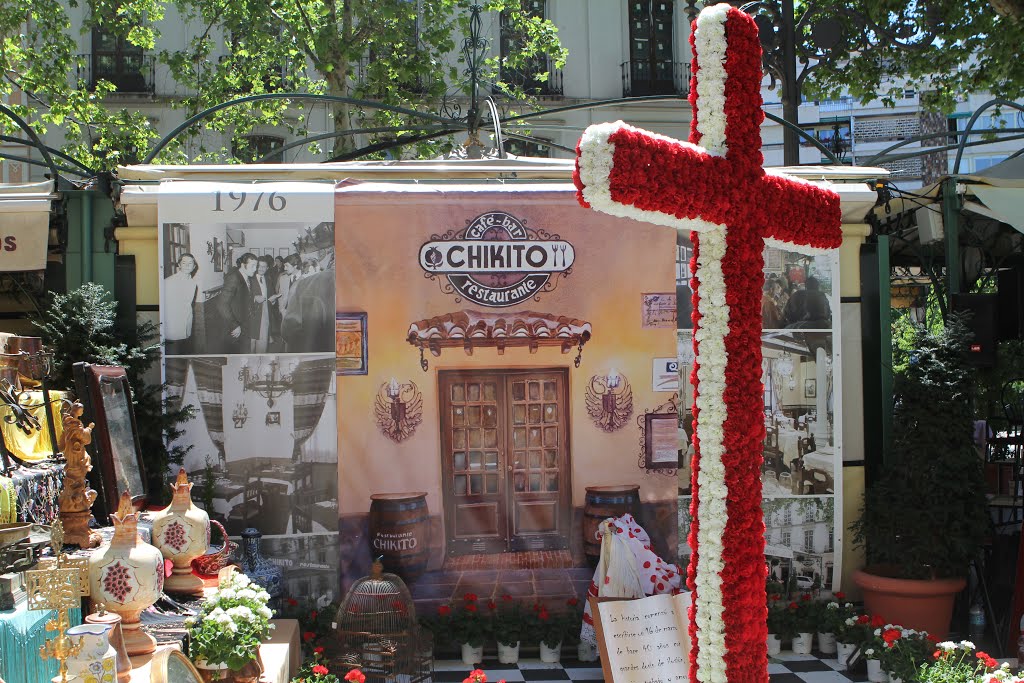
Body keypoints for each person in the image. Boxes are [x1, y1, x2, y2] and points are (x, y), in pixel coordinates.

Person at [218, 253, 258, 353]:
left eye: (256, 266)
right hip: (234, 328)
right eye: (252, 266)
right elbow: (222, 304)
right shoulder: (234, 278)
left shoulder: (247, 278)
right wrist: (234, 325)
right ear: (243, 265)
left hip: (244, 325)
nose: (255, 269)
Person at [163, 253, 199, 355]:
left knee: (185, 353)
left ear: (194, 266)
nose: (187, 265)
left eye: (190, 263)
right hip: (172, 327)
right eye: (184, 263)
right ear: (179, 265)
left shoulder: (193, 283)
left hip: (186, 325)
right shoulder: (168, 282)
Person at [251, 256, 280, 353]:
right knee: (250, 347)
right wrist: (254, 298)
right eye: (259, 266)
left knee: (262, 346)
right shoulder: (250, 279)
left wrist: (273, 300)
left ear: (267, 268)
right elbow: (242, 297)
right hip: (252, 317)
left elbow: (271, 296)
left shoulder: (268, 279)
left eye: (264, 267)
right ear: (255, 267)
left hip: (265, 316)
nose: (261, 269)